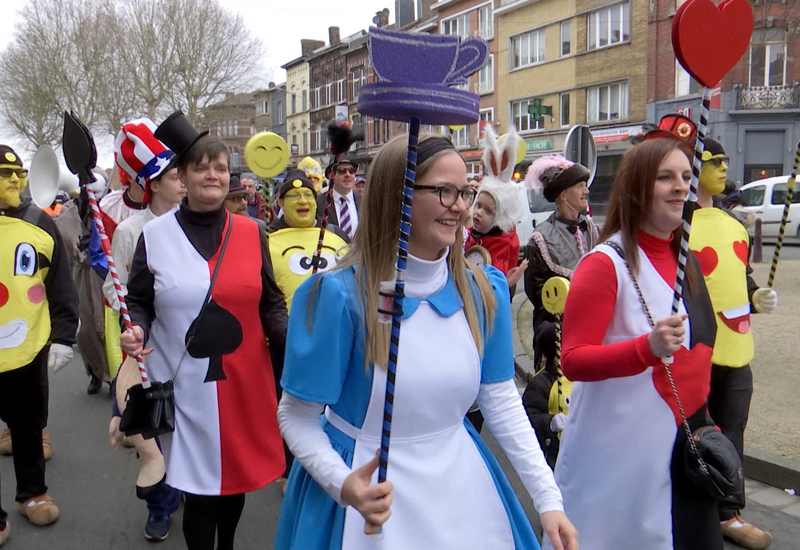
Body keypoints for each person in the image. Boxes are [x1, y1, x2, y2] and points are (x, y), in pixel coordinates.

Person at [275, 134, 578, 550]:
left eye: (465, 192)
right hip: (364, 500)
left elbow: (501, 400)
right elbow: (297, 415)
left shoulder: (481, 290)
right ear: (396, 196)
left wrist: (548, 499)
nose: (460, 206)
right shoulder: (339, 296)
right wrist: (342, 484)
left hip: (464, 493)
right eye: (443, 191)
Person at [120, 111, 288, 550]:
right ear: (184, 176)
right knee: (198, 491)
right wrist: (135, 328)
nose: (212, 174)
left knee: (234, 484)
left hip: (245, 384)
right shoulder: (154, 237)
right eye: (202, 167)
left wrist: (301, 350)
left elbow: (271, 304)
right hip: (186, 387)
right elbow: (138, 299)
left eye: (221, 167)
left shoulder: (254, 232)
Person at [544, 138, 721, 550]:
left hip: (681, 449)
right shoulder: (604, 264)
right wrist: (646, 347)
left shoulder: (685, 261)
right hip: (619, 462)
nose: (681, 187)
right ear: (637, 188)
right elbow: (573, 360)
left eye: (685, 176)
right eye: (665, 178)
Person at [689, 138, 775, 550]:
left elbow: (739, 276)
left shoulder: (733, 224)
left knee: (733, 427)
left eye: (725, 161)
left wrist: (756, 296)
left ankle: (728, 511)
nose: (724, 168)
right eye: (713, 161)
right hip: (695, 351)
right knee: (697, 430)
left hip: (737, 350)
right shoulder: (679, 226)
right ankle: (696, 507)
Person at [102, 118, 184, 542]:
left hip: (188, 346)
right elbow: (112, 287)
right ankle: (160, 504)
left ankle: (187, 484)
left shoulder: (197, 223)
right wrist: (134, 316)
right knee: (152, 425)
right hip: (148, 345)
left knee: (186, 425)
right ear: (153, 184)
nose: (184, 181)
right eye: (175, 176)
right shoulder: (132, 230)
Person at [0, 145, 78, 544]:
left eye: (18, 172)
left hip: (26, 349)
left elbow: (60, 283)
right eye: (4, 173)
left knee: (28, 428)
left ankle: (31, 493)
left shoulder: (37, 222)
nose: (15, 179)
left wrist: (64, 335)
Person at [523, 156, 598, 369]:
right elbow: (538, 295)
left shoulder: (593, 230)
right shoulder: (540, 239)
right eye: (581, 186)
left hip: (596, 332)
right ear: (564, 195)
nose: (587, 191)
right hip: (559, 338)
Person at [317, 158, 361, 239]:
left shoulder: (365, 202)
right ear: (331, 175)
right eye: (341, 171)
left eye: (351, 170)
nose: (348, 174)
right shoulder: (319, 203)